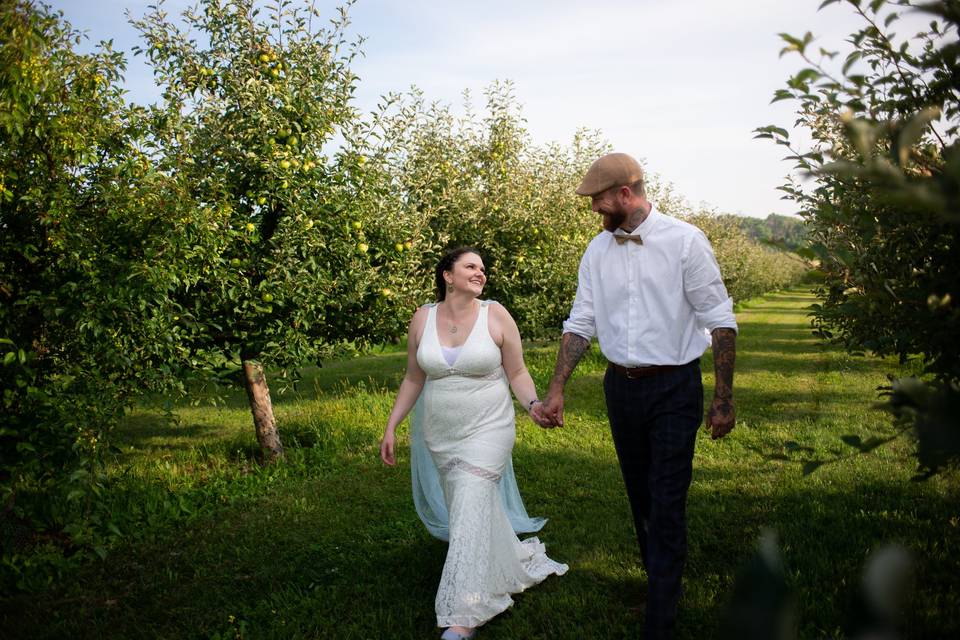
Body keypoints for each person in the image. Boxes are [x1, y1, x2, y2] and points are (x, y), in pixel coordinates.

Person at [533, 152, 738, 639]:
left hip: (674, 385)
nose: (594, 211)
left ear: (626, 194)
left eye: (599, 201)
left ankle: (660, 616)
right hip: (619, 389)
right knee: (640, 494)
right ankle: (661, 576)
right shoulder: (595, 252)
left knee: (667, 496)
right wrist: (557, 387)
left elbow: (720, 320)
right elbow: (580, 323)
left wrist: (723, 397)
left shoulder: (685, 242)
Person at [380, 246, 567, 640]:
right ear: (447, 275)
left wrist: (532, 404)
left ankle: (461, 615)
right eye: (470, 266)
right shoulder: (422, 318)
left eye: (483, 268)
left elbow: (516, 371)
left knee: (470, 500)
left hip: (489, 428)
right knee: (469, 509)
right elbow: (414, 378)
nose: (480, 272)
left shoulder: (495, 315)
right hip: (442, 435)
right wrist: (392, 426)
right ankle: (505, 562)